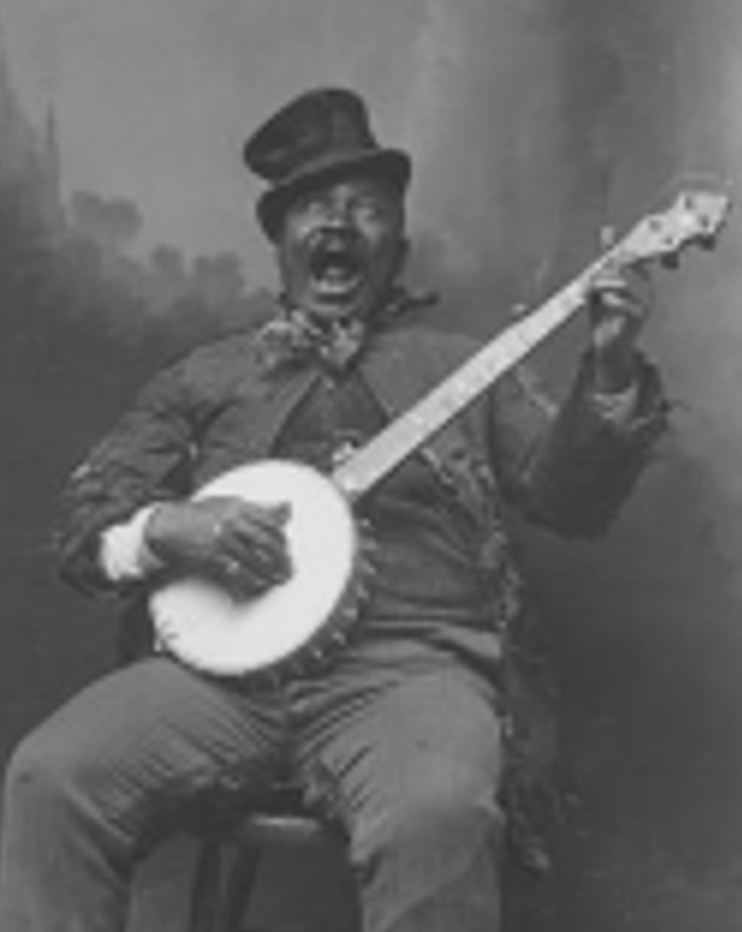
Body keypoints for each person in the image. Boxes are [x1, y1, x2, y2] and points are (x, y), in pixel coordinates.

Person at [0, 87, 668, 932]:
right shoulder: (206, 376)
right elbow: (86, 521)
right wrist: (167, 530)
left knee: (436, 815)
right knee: (50, 778)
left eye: (367, 208)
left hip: (411, 673)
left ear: (399, 245)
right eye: (314, 206)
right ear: (280, 240)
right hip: (217, 683)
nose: (339, 224)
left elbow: (573, 502)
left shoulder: (466, 367)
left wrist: (610, 369)